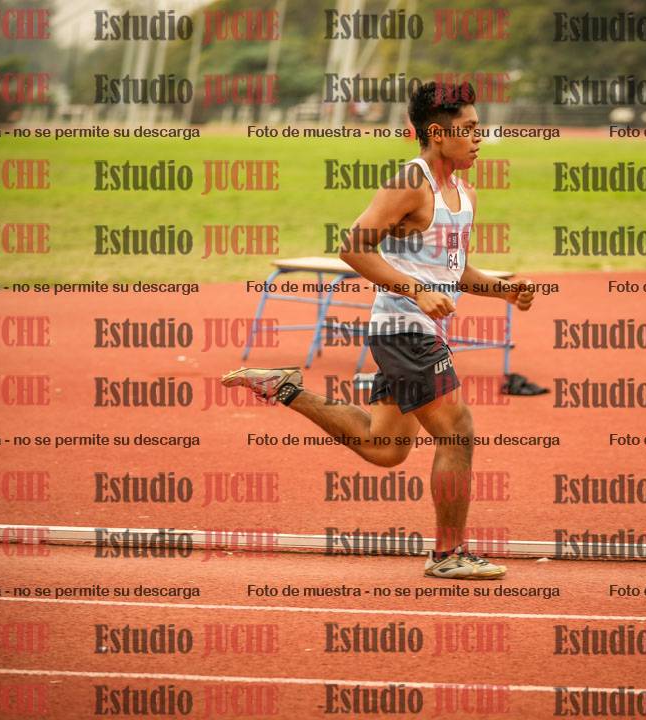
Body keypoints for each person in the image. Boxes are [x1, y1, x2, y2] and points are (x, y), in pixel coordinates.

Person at [223, 81, 535, 579]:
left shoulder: (465, 193)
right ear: (437, 133)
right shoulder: (409, 183)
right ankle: (448, 554)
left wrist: (503, 291)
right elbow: (353, 247)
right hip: (404, 330)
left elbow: (453, 271)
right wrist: (416, 291)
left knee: (384, 448)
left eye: (480, 127)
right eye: (470, 128)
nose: (480, 137)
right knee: (457, 432)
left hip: (419, 330)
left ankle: (287, 389)